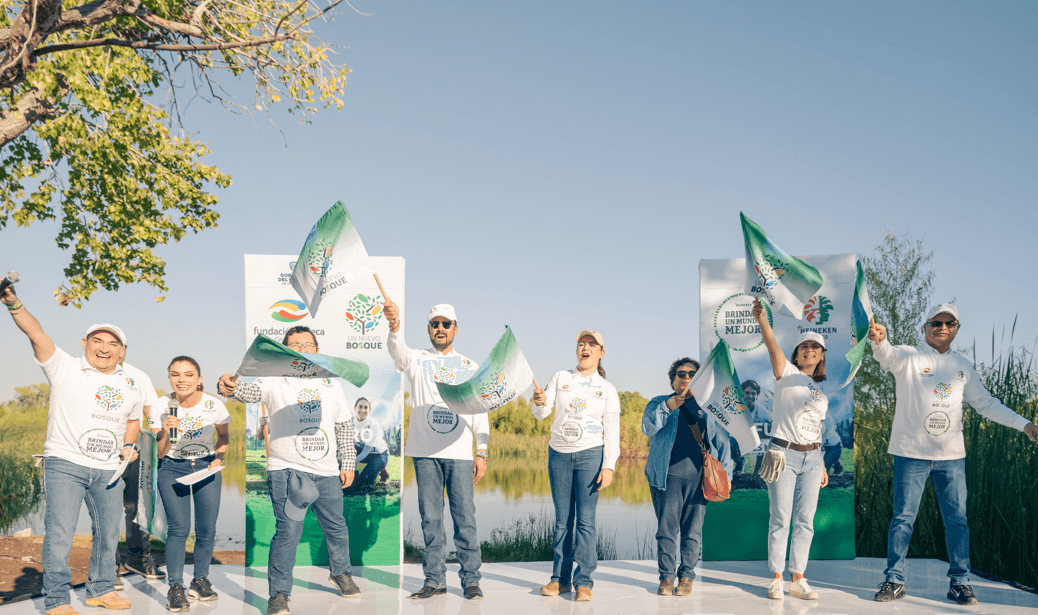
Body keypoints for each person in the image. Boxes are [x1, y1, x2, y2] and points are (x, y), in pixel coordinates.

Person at [868, 304, 1038, 605]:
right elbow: (886, 355)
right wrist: (878, 340)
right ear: (925, 326)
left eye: (950, 323)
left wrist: (1024, 425)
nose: (942, 327)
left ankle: (959, 583)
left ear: (957, 328)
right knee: (903, 518)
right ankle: (894, 580)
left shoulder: (963, 366)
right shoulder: (908, 356)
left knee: (958, 520)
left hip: (951, 458)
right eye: (936, 322)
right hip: (910, 454)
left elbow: (986, 404)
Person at [2, 286, 142, 615]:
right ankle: (57, 600)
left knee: (109, 533)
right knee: (61, 535)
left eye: (113, 344)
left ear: (122, 352)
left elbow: (134, 420)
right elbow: (35, 333)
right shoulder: (64, 367)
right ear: (85, 344)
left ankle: (101, 589)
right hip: (65, 464)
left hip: (109, 470)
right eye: (98, 341)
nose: (104, 348)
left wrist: (128, 445)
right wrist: (14, 304)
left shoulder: (130, 385)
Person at [218, 326, 359, 615]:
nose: (301, 348)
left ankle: (341, 572)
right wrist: (231, 387)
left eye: (307, 344)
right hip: (288, 472)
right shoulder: (274, 379)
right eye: (294, 345)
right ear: (285, 350)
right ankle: (279, 594)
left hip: (328, 472)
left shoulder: (332, 383)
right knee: (288, 533)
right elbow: (249, 391)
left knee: (336, 527)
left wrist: (348, 463)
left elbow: (344, 425)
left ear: (317, 350)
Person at [383, 300, 488, 601]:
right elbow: (397, 351)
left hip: (459, 453)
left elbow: (479, 412)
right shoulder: (416, 359)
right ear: (428, 329)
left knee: (465, 518)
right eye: (434, 324)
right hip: (425, 452)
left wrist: (482, 451)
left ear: (455, 328)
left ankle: (471, 580)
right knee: (430, 518)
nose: (440, 329)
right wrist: (394, 326)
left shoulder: (469, 367)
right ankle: (434, 580)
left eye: (446, 324)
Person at [531, 330, 621, 603]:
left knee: (585, 521)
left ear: (601, 352)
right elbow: (541, 413)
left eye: (592, 345)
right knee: (562, 522)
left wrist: (609, 466)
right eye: (582, 343)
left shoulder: (607, 389)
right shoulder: (561, 378)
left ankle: (584, 582)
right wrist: (538, 402)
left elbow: (612, 430)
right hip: (558, 454)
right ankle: (560, 580)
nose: (586, 348)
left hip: (590, 456)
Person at [752, 298, 829, 602]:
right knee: (781, 516)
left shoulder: (821, 391)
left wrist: (821, 463)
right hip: (783, 455)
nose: (809, 350)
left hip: (813, 457)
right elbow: (772, 347)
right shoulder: (786, 373)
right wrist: (762, 321)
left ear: (822, 356)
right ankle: (776, 578)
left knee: (805, 519)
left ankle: (798, 577)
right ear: (797, 354)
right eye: (804, 347)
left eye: (815, 347)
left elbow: (815, 429)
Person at [641, 358, 733, 596]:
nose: (686, 377)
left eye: (692, 374)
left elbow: (722, 442)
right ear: (673, 379)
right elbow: (647, 428)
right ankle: (666, 578)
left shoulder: (709, 406)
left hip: (699, 479)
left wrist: (727, 475)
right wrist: (667, 408)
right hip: (666, 478)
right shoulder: (658, 402)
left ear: (698, 379)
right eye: (681, 373)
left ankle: (687, 577)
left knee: (693, 531)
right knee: (666, 530)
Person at [152, 356, 231, 611]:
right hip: (172, 467)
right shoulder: (161, 405)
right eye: (175, 375)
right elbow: (161, 453)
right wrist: (164, 431)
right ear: (170, 379)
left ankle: (200, 580)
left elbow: (224, 436)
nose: (182, 379)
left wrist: (218, 459)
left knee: (207, 529)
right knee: (178, 528)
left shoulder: (214, 405)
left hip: (206, 467)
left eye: (188, 374)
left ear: (199, 379)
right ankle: (176, 587)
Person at [119, 360, 165, 585]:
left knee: (137, 507)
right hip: (98, 454)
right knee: (103, 511)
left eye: (119, 344)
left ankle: (138, 558)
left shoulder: (139, 376)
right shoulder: (82, 372)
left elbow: (153, 415)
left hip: (135, 453)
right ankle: (106, 566)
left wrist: (161, 448)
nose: (109, 349)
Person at [351, 397, 389, 487]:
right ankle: (380, 468)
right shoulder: (349, 422)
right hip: (361, 448)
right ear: (355, 408)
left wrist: (350, 463)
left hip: (379, 454)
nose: (362, 410)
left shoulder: (373, 425)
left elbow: (364, 453)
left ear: (369, 410)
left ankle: (381, 467)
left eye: (365, 407)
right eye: (360, 407)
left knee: (362, 484)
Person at [742, 380, 772, 472]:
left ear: (757, 396)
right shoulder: (734, 409)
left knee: (764, 441)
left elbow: (769, 433)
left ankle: (758, 470)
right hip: (739, 441)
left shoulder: (763, 413)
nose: (750, 396)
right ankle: (740, 462)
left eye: (753, 393)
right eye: (747, 393)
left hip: (756, 442)